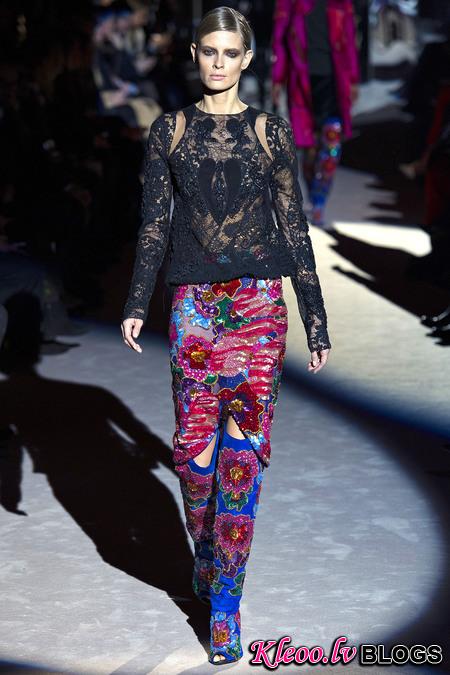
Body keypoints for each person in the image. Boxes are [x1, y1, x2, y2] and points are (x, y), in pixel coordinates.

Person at [121, 6, 331, 665]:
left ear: (247, 58)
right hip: (192, 309)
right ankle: (209, 553)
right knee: (192, 458)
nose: (218, 62)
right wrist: (136, 300)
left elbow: (293, 226)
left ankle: (225, 609)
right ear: (194, 54)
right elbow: (155, 222)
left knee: (242, 457)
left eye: (229, 52)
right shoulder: (171, 131)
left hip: (260, 304)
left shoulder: (270, 132)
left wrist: (315, 315)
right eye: (208, 51)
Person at [271, 0, 360, 228]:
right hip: (302, 85)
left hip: (334, 84)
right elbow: (280, 41)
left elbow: (349, 40)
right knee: (309, 149)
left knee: (331, 145)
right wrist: (277, 79)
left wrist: (353, 79)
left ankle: (319, 201)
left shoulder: (341, 3)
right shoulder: (290, 4)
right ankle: (313, 196)